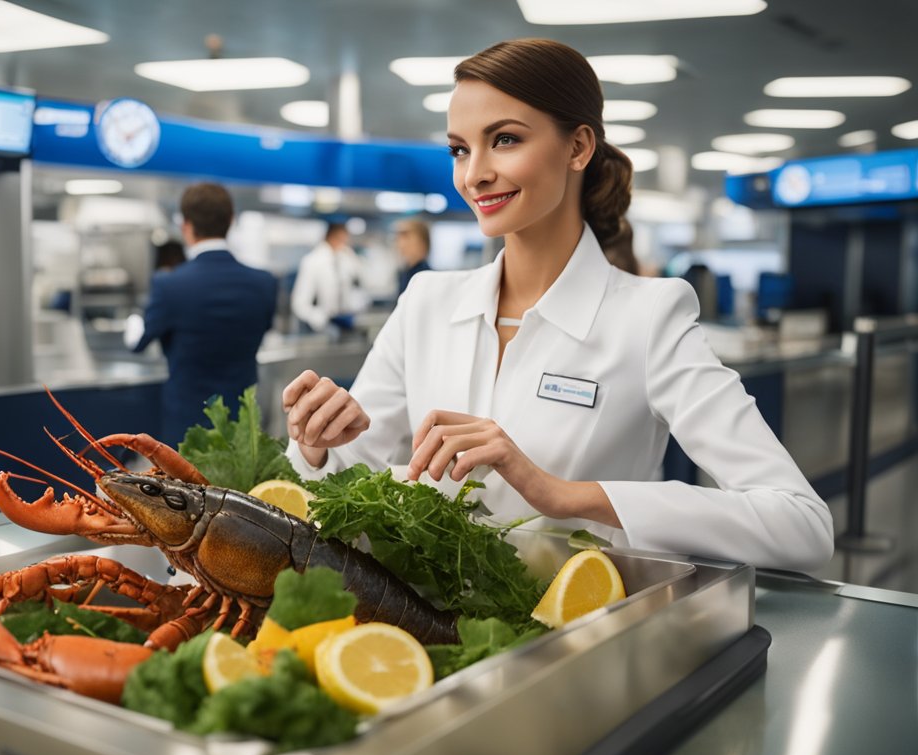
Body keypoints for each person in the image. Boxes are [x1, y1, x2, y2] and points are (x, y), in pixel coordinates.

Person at [281, 38, 833, 573]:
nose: (473, 174)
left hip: (577, 639)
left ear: (578, 147)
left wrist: (562, 494)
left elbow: (802, 524)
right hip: (429, 640)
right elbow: (345, 478)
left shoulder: (649, 317)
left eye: (505, 140)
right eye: (459, 148)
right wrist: (318, 446)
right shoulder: (427, 301)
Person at [126, 182, 277, 446]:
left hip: (187, 430)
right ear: (231, 221)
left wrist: (134, 320)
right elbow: (263, 330)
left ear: (185, 226)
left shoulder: (169, 285)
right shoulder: (264, 283)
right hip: (243, 429)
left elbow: (138, 343)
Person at [291, 222, 369, 332]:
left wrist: (352, 257)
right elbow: (299, 304)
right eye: (342, 239)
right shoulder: (312, 261)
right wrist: (318, 317)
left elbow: (359, 281)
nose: (346, 243)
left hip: (346, 320)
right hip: (320, 326)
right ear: (331, 237)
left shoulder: (345, 259)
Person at [394, 219, 432, 296]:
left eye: (407, 238)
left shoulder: (426, 276)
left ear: (422, 243)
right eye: (399, 238)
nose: (401, 244)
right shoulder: (404, 273)